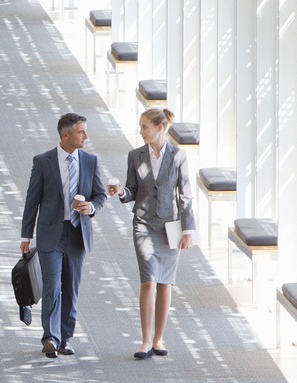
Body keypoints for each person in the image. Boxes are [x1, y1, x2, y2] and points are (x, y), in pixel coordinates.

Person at [108, 107, 196, 359]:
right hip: (144, 225)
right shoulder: (135, 156)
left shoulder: (178, 156)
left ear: (160, 128)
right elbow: (132, 191)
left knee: (165, 283)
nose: (140, 131)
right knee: (148, 281)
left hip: (170, 226)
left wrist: (188, 230)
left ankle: (159, 339)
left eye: (144, 127)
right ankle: (145, 340)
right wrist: (121, 192)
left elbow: (186, 195)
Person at [21, 112, 107, 358]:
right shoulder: (43, 161)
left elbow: (100, 195)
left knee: (71, 287)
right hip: (51, 234)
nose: (86, 136)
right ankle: (50, 337)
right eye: (81, 132)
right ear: (66, 134)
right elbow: (32, 201)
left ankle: (65, 338)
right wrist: (25, 236)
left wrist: (91, 207)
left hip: (78, 233)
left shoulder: (90, 161)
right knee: (52, 284)